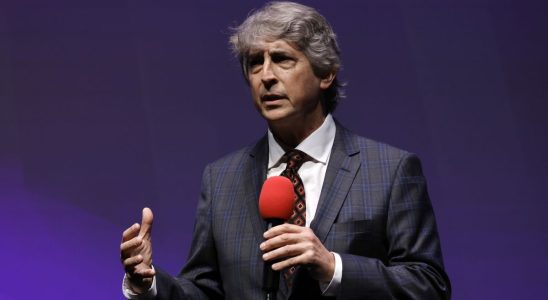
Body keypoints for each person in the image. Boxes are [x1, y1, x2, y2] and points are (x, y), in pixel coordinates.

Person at [120, 2, 451, 299]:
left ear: (326, 73)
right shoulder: (221, 178)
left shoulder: (391, 170)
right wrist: (148, 285)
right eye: (254, 63)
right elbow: (204, 289)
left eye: (281, 59)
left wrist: (332, 267)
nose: (265, 76)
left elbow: (428, 286)